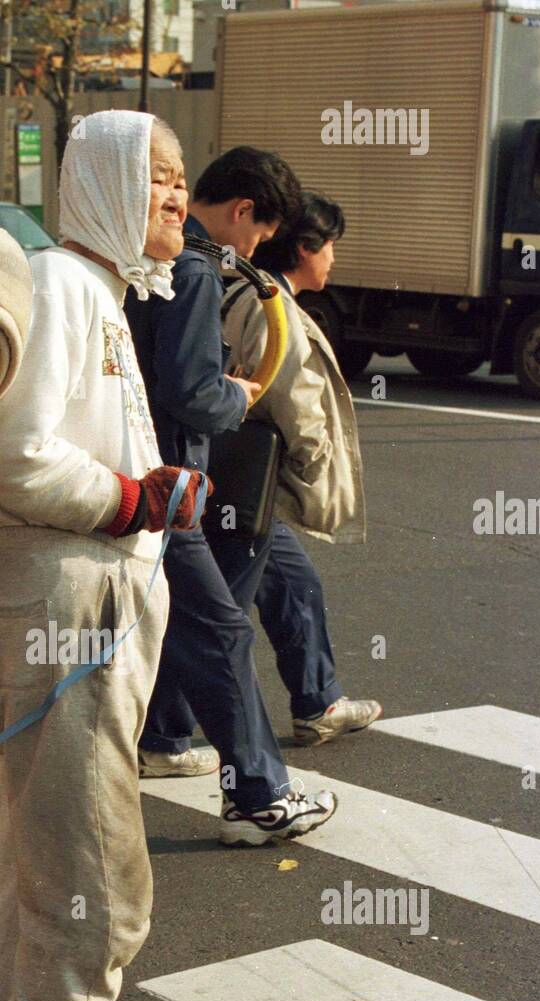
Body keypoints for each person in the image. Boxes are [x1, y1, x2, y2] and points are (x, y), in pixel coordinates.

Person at [0, 109, 204, 1001]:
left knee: (37, 861)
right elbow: (6, 452)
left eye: (183, 187)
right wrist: (128, 498)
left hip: (73, 603)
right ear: (102, 181)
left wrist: (144, 495)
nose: (178, 205)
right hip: (62, 609)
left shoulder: (97, 291)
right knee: (95, 876)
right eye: (160, 183)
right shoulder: (63, 286)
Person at [125, 146, 338, 845]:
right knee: (217, 633)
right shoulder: (189, 270)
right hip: (166, 487)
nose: (254, 251)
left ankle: (4, 804)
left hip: (125, 483)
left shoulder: (129, 263)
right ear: (243, 212)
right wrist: (235, 396)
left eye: (182, 182)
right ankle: (256, 793)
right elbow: (188, 392)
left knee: (95, 647)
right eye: (164, 181)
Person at [215, 190, 380, 745]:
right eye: (330, 246)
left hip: (241, 479)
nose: (333, 258)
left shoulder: (251, 292)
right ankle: (161, 735)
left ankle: (318, 701)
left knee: (292, 585)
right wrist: (314, 460)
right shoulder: (271, 304)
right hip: (247, 481)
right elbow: (288, 395)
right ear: (305, 249)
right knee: (216, 614)